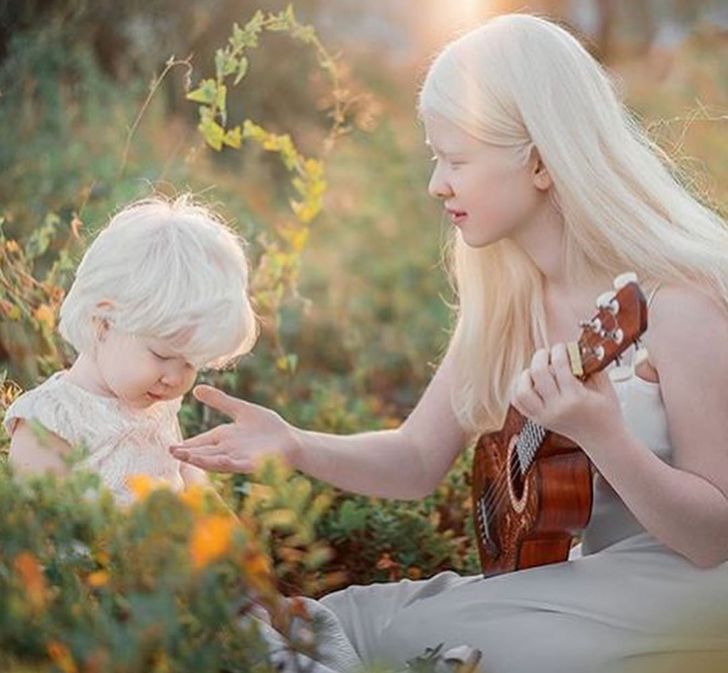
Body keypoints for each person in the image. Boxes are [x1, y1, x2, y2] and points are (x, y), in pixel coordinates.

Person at [170, 14, 728, 673]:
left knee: (370, 633)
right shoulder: (507, 300)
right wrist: (292, 443)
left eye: (456, 159)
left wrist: (604, 433)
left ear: (542, 160)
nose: (438, 183)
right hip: (588, 588)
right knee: (352, 618)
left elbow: (711, 537)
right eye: (438, 158)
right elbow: (415, 457)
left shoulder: (678, 301)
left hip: (694, 596)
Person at [3, 194, 258, 505]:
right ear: (103, 322)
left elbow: (193, 486)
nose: (176, 379)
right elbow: (41, 538)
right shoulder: (48, 422)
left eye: (191, 363)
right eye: (162, 356)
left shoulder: (158, 405)